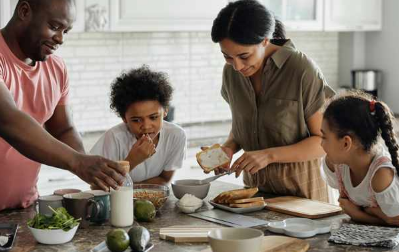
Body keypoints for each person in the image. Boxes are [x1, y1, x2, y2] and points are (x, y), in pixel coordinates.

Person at [0, 0, 126, 211]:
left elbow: (63, 129)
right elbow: (7, 119)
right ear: (24, 11)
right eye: (54, 27)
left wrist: (91, 169)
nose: (60, 39)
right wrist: (77, 162)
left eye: (65, 31)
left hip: (24, 209)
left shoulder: (56, 68)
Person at [206, 0, 335, 201]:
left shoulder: (301, 69)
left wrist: (268, 155)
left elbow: (324, 142)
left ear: (265, 40)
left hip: (303, 198)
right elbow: (243, 127)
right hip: (254, 197)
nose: (237, 66)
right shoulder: (231, 73)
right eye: (227, 57)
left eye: (244, 56)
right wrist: (228, 149)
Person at [90, 65, 186, 185]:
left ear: (165, 111)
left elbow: (165, 179)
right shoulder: (113, 138)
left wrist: (133, 191)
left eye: (153, 117)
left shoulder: (176, 135)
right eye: (136, 120)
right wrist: (132, 160)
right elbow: (97, 186)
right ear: (124, 118)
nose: (146, 126)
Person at [321, 91, 399, 226]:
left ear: (346, 143)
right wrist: (375, 212)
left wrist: (358, 214)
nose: (321, 144)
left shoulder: (381, 175)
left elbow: (395, 222)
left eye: (324, 137)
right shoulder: (335, 163)